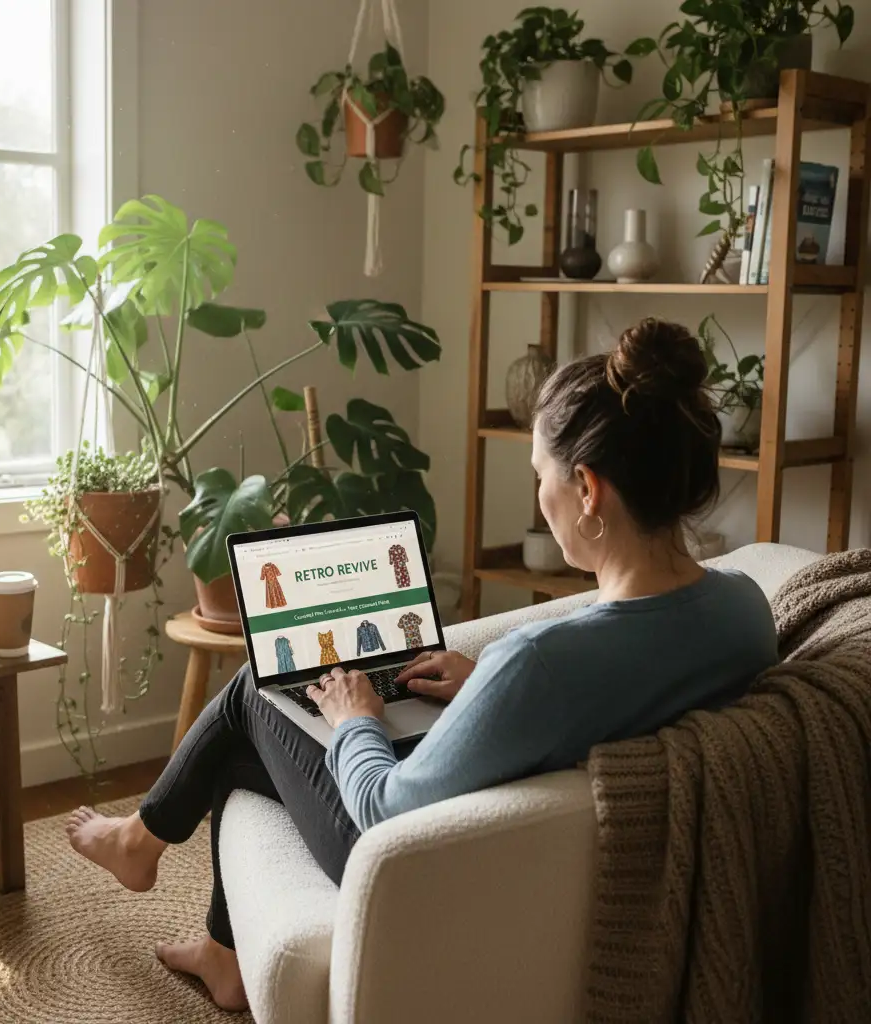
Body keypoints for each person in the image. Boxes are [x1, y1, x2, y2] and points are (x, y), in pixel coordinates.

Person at [66, 318, 779, 1011]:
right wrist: (483, 689)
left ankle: (139, 841)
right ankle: (224, 956)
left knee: (258, 691)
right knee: (249, 745)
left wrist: (356, 720)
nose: (540, 497)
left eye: (541, 477)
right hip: (539, 831)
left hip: (420, 858)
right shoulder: (746, 612)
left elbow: (385, 813)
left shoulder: (540, 663)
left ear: (587, 490)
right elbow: (613, 691)